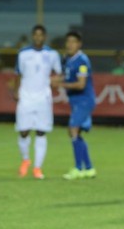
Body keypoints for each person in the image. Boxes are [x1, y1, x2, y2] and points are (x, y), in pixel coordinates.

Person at [12, 25, 62, 180]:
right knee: (23, 130)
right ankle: (26, 159)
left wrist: (56, 80)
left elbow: (59, 73)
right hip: (25, 96)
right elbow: (18, 74)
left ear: (45, 37)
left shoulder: (52, 54)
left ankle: (37, 168)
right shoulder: (23, 54)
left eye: (41, 35)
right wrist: (16, 90)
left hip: (43, 98)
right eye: (35, 35)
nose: (38, 37)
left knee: (41, 131)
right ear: (32, 36)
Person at [51, 31, 97, 180]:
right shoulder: (67, 59)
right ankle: (89, 168)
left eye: (73, 42)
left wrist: (60, 83)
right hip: (76, 101)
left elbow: (81, 84)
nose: (70, 45)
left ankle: (78, 168)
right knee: (75, 133)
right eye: (68, 42)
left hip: (84, 100)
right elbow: (66, 74)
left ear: (79, 44)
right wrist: (56, 79)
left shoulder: (82, 60)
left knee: (73, 130)